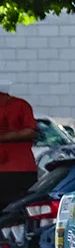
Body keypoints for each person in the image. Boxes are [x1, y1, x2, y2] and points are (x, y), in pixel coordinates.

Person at [0, 79, 38, 209]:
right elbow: (30, 131)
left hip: (18, 169)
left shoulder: (20, 105)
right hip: (21, 169)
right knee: (20, 211)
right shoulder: (21, 105)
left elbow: (30, 131)